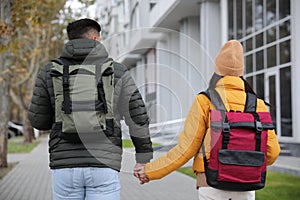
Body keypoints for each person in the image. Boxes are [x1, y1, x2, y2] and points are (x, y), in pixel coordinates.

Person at [135, 40, 280, 200]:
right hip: (247, 187)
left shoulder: (206, 100)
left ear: (217, 69)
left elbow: (185, 149)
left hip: (211, 184)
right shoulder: (257, 104)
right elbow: (272, 152)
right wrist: (244, 164)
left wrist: (150, 171)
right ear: (241, 70)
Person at [28, 18, 153, 200]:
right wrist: (143, 159)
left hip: (65, 165)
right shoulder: (117, 71)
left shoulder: (49, 71)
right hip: (104, 163)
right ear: (95, 39)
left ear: (71, 40)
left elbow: (39, 121)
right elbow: (138, 117)